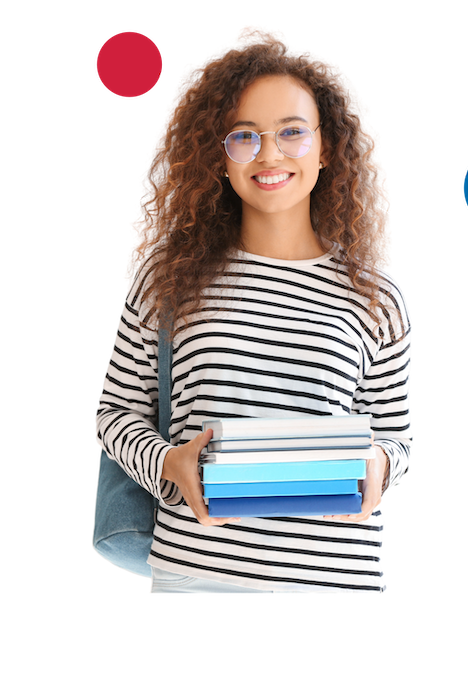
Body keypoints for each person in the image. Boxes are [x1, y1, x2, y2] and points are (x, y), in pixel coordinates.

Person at [96, 25, 411, 593]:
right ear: (218, 154)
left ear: (326, 145)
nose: (269, 155)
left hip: (335, 588)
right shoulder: (168, 278)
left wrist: (380, 464)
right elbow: (115, 415)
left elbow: (396, 436)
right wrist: (169, 463)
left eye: (292, 132)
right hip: (195, 579)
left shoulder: (376, 296)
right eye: (244, 136)